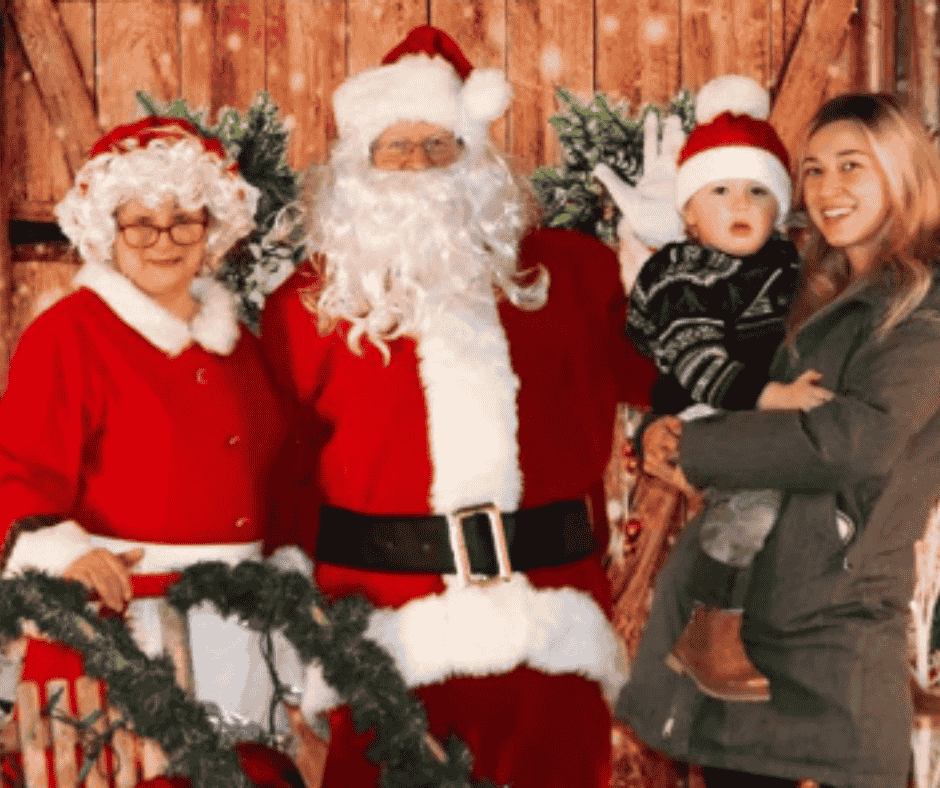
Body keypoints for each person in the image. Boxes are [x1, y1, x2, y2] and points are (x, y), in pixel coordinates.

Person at [260, 24, 657, 788]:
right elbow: (280, 476)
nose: (418, 166)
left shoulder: (569, 276)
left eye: (439, 146)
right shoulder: (308, 306)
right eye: (395, 147)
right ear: (357, 167)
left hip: (552, 627)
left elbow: (656, 380)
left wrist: (682, 272)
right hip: (382, 635)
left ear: (477, 160)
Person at [616, 92, 940, 788]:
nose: (827, 189)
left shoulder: (924, 305)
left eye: (852, 166)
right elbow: (716, 380)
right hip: (740, 635)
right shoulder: (804, 289)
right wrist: (663, 428)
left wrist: (696, 451)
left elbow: (848, 441)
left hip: (832, 632)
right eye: (814, 170)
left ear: (903, 172)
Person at [0, 115, 303, 768]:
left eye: (184, 222)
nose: (164, 241)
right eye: (141, 223)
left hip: (237, 634)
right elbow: (15, 469)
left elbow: (279, 471)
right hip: (114, 626)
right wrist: (62, 554)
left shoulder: (238, 346)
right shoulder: (68, 334)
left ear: (210, 231)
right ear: (108, 233)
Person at [625, 75, 834, 703]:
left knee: (796, 506)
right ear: (689, 211)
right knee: (757, 499)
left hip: (763, 409)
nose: (740, 204)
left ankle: (769, 629)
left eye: (756, 191)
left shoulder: (786, 262)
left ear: (779, 208)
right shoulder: (682, 272)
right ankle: (709, 632)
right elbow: (697, 361)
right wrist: (775, 396)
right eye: (719, 191)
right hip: (701, 412)